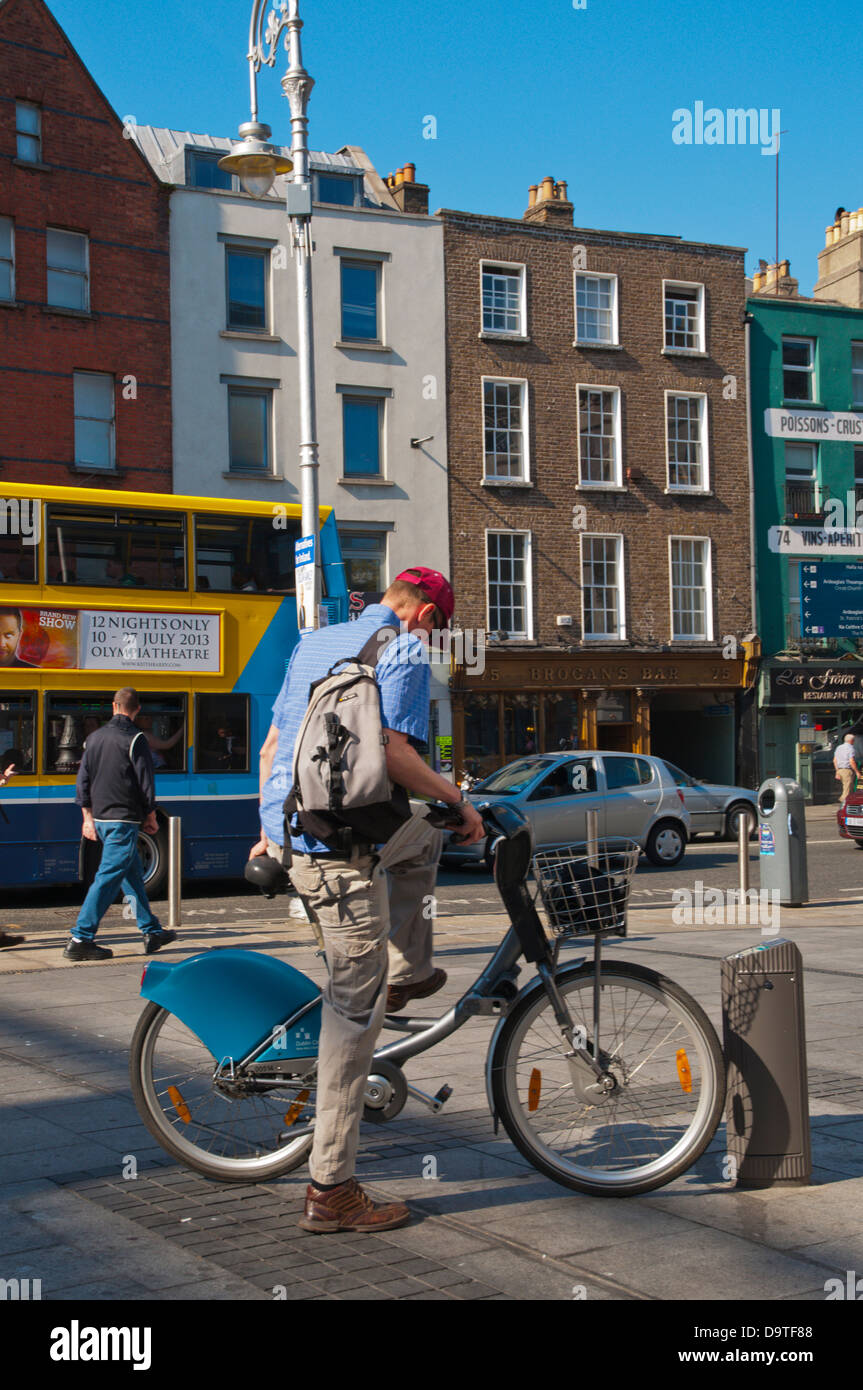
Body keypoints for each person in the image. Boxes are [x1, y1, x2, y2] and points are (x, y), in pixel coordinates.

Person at [251, 567, 485, 1233]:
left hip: (292, 830)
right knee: (352, 1017)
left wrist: (264, 834)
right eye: (437, 630)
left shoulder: (314, 642)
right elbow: (395, 752)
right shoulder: (404, 649)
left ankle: (405, 973)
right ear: (426, 617)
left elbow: (274, 745)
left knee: (419, 842)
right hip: (336, 851)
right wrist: (457, 800)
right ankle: (331, 1189)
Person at [66, 687, 176, 961]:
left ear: (114, 706)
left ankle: (151, 931)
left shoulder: (94, 738)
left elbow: (83, 781)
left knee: (132, 874)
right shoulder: (135, 738)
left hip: (101, 818)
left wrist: (87, 818)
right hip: (123, 818)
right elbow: (145, 781)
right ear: (136, 709)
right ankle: (81, 937)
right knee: (108, 877)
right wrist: (150, 815)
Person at [834, 734, 860, 805]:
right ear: (851, 741)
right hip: (847, 771)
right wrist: (857, 772)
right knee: (847, 789)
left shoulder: (839, 748)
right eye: (854, 740)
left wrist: (837, 771)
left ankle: (848, 804)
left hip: (840, 770)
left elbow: (835, 760)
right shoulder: (851, 748)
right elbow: (852, 761)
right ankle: (843, 804)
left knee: (847, 788)